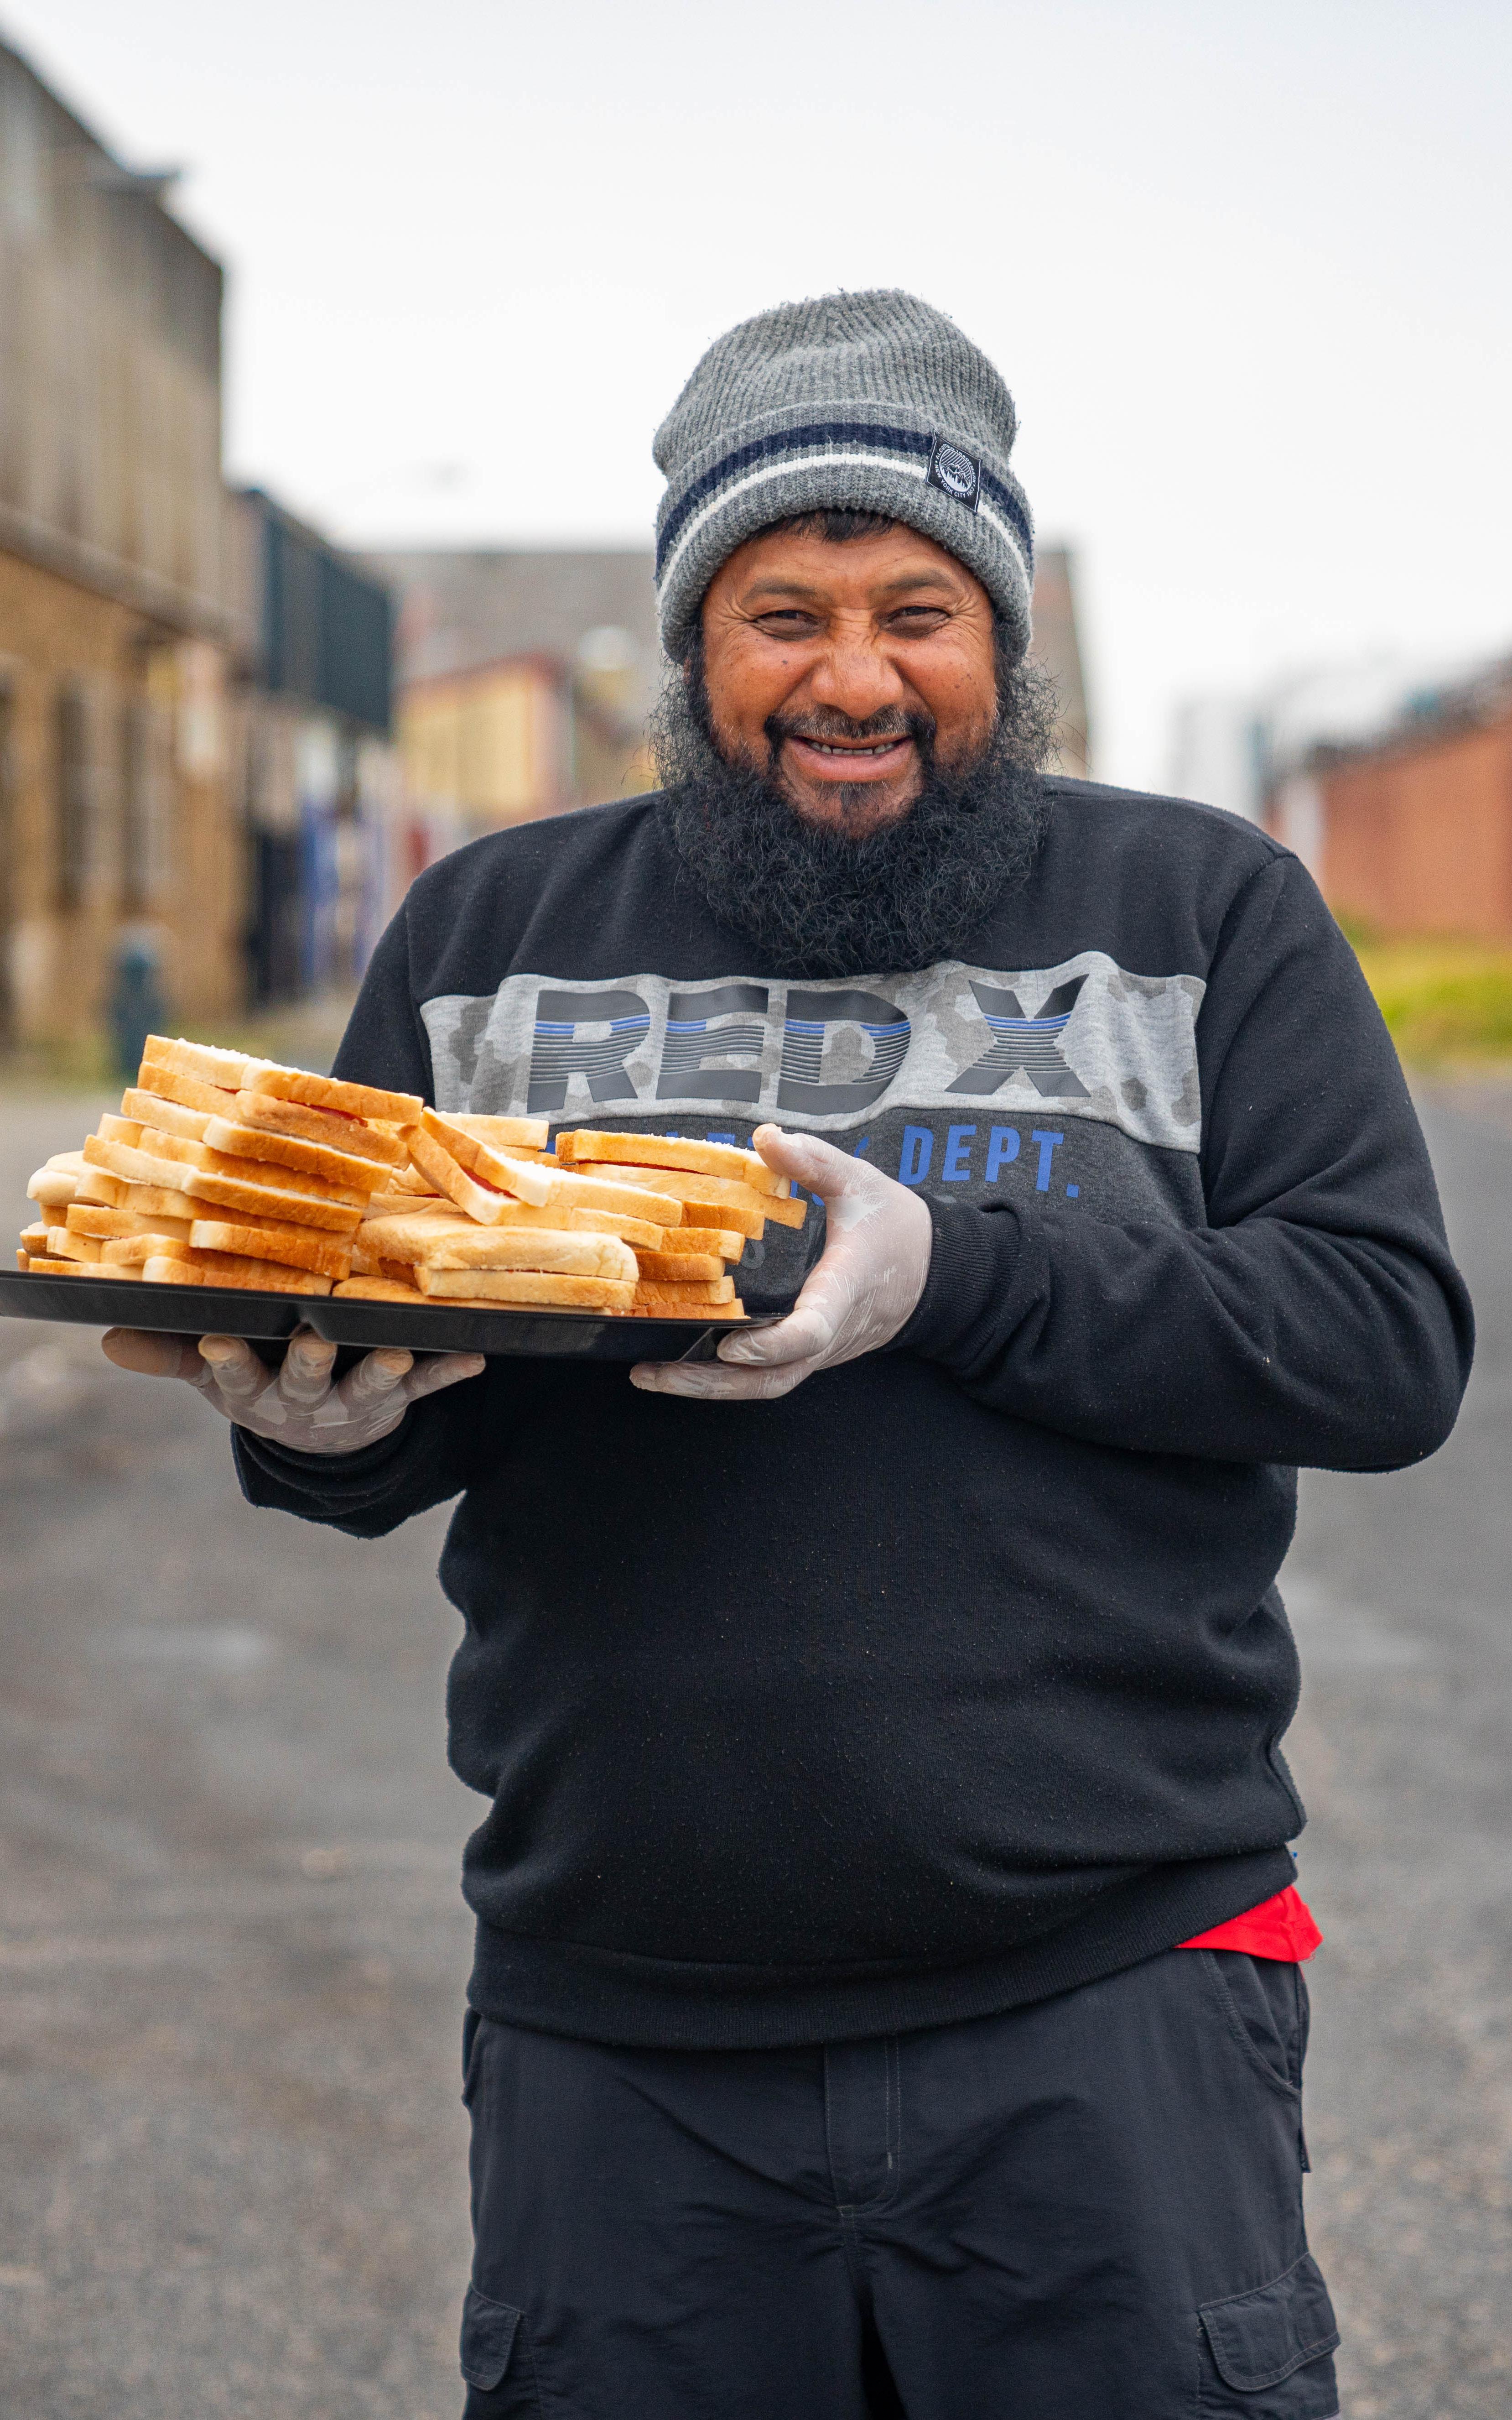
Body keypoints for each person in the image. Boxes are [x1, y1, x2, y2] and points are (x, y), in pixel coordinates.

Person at [104, 291, 1473, 2419]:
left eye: (916, 607)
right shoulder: (491, 935)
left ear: (1002, 641)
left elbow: (1381, 1346)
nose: (853, 675)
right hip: (618, 2027)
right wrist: (303, 1418)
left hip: (1106, 1998)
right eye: (780, 612)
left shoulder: (1201, 911)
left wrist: (955, 1275)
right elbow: (375, 1400)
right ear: (691, 650)